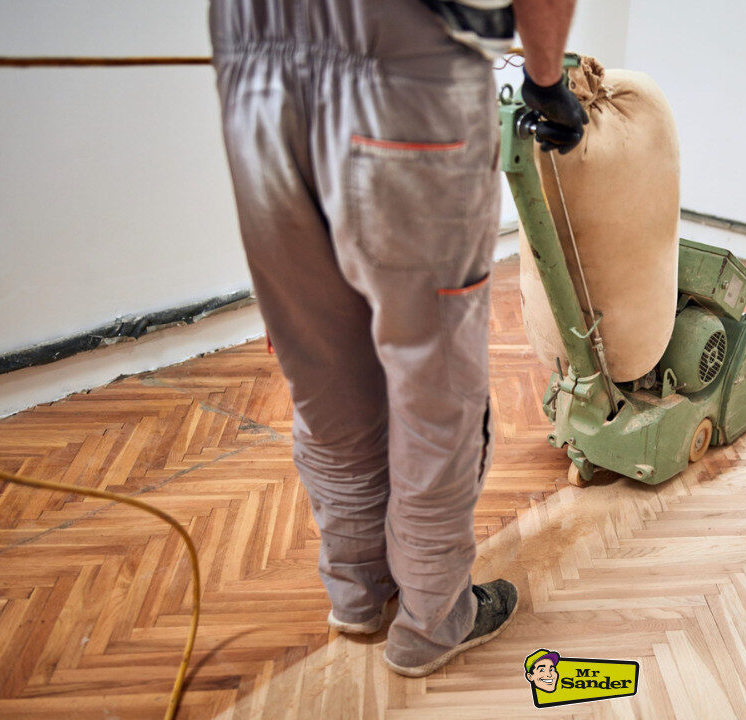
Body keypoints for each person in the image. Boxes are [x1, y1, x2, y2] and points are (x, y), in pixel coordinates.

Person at [208, 0, 587, 677]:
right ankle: (433, 621)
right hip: (404, 80)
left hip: (252, 80)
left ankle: (356, 593)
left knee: (321, 365)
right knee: (432, 378)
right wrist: (545, 79)